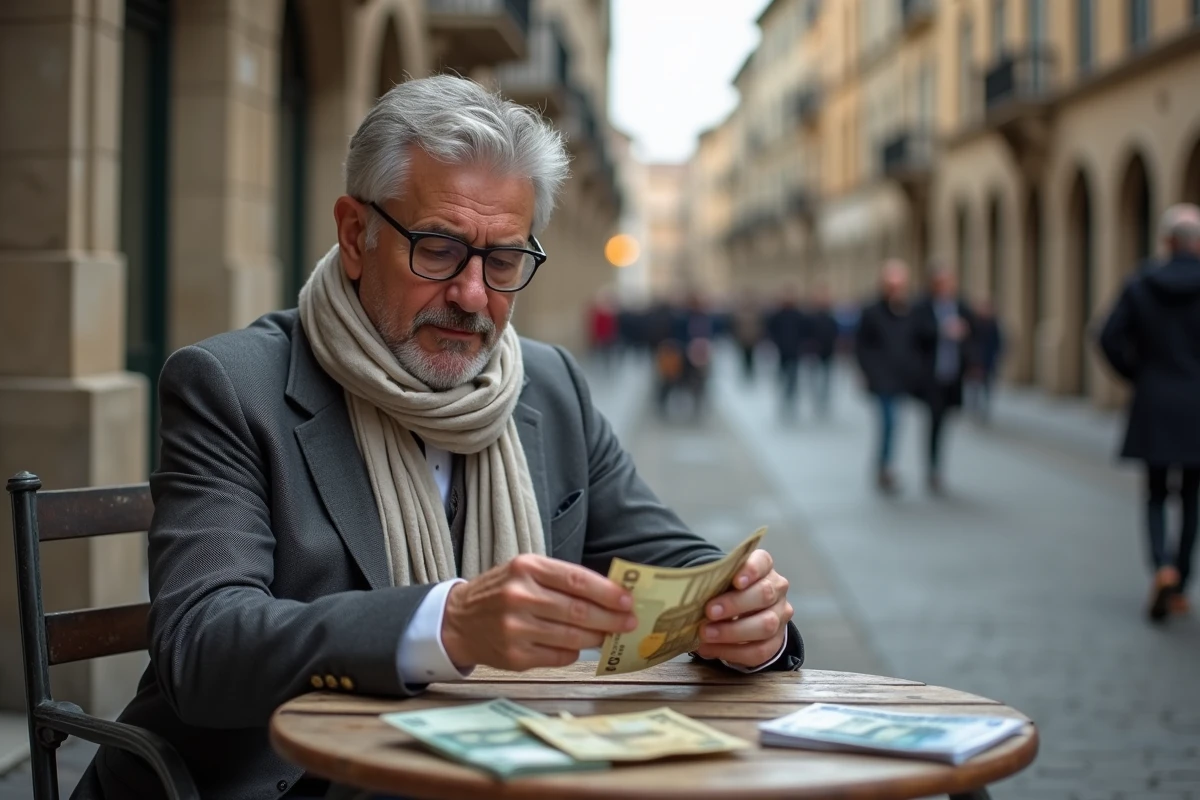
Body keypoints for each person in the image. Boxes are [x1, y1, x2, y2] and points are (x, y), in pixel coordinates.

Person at [77, 76, 802, 800]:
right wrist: (446, 623)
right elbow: (203, 646)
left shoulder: (549, 386)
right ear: (356, 234)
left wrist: (746, 618)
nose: (473, 295)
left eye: (504, 260)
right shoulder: (232, 386)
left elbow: (675, 563)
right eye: (439, 248)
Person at [1098, 203, 1200, 623]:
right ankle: (1180, 582)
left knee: (1156, 493)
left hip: (1154, 399)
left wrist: (1137, 374)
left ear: (1166, 242)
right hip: (1197, 403)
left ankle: (1161, 566)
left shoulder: (1141, 283)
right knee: (1192, 497)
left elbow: (1106, 336)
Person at [910, 266, 977, 495]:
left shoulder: (960, 306)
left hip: (953, 375)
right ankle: (933, 469)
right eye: (942, 282)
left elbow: (975, 333)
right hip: (932, 376)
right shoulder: (922, 307)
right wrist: (942, 330)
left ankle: (937, 466)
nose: (946, 286)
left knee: (946, 419)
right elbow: (915, 334)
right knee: (934, 420)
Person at [854, 260, 917, 494]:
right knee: (889, 421)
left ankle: (884, 464)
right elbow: (862, 346)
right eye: (892, 284)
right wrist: (869, 371)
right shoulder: (872, 311)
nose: (896, 289)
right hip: (881, 377)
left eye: (900, 284)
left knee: (894, 423)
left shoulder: (908, 310)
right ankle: (885, 467)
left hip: (901, 377)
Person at [766, 286, 811, 420]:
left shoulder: (799, 315)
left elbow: (805, 331)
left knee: (793, 379)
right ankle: (783, 402)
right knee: (782, 378)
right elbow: (771, 330)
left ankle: (790, 403)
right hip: (781, 352)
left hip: (795, 352)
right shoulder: (778, 315)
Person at [966, 298, 1004, 422]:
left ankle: (984, 410)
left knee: (987, 386)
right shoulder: (975, 324)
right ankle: (974, 408)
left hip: (989, 361)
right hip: (976, 361)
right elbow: (970, 342)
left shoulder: (994, 325)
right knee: (974, 386)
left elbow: (998, 343)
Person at [806, 285, 840, 418]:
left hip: (828, 352)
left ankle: (823, 400)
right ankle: (817, 400)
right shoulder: (811, 317)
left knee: (826, 379)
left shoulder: (831, 317)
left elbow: (835, 333)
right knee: (815, 378)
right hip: (815, 352)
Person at [730, 291, 763, 383]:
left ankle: (751, 373)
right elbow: (735, 327)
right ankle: (744, 373)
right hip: (743, 339)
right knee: (743, 357)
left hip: (752, 339)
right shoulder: (739, 314)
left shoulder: (755, 314)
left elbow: (759, 326)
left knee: (751, 357)